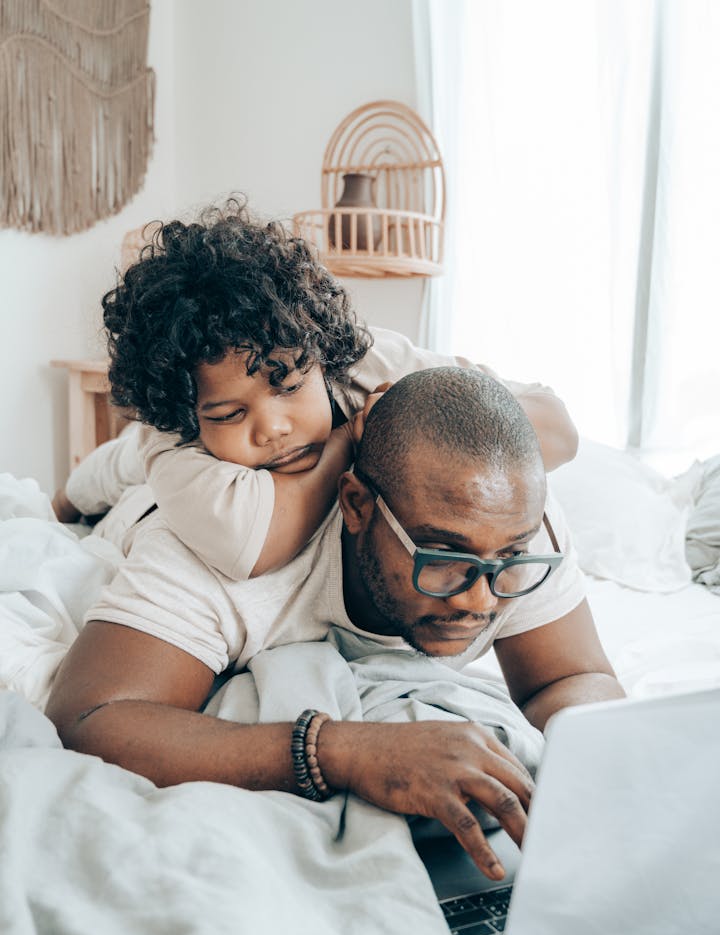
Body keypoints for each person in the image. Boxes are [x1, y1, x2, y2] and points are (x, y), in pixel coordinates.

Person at [46, 367, 623, 880]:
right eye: (443, 559)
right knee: (119, 471)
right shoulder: (218, 552)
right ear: (356, 506)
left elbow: (568, 678)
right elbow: (89, 718)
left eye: (509, 558)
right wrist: (344, 752)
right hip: (140, 506)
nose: (480, 599)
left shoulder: (510, 526)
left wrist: (595, 764)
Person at [52, 199, 578, 581]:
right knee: (111, 478)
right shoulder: (168, 440)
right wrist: (350, 439)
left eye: (289, 386)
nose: (272, 428)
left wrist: (404, 417)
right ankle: (58, 502)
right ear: (188, 417)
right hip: (146, 501)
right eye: (230, 414)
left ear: (321, 357)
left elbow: (558, 432)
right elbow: (252, 546)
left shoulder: (368, 364)